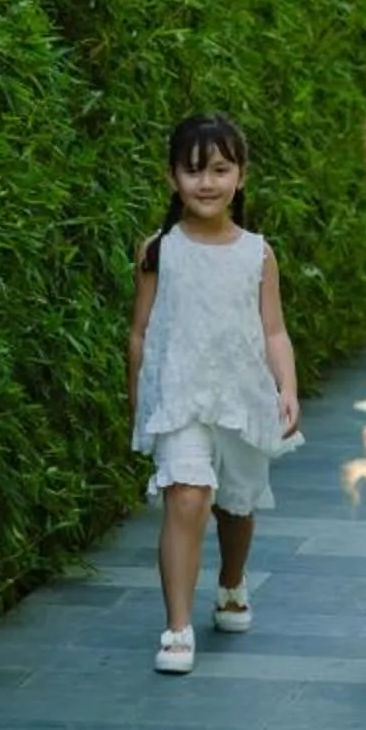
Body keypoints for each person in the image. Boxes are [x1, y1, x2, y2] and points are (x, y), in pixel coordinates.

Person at [126, 114, 301, 676]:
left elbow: (274, 330)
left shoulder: (258, 253)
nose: (207, 183)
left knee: (236, 504)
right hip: (179, 392)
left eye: (220, 170)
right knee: (187, 495)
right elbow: (141, 331)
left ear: (241, 177)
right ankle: (176, 626)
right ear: (172, 178)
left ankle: (230, 581)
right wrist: (138, 398)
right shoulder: (159, 250)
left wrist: (287, 387)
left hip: (240, 392)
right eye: (193, 170)